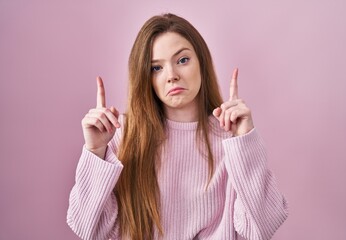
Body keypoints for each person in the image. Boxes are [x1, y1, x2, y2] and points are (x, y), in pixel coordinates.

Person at [67, 13, 288, 240]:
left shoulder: (231, 138)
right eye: (156, 68)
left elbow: (261, 228)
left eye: (182, 60)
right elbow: (87, 228)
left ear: (201, 62)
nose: (172, 76)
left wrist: (244, 142)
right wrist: (95, 152)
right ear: (145, 77)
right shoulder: (122, 135)